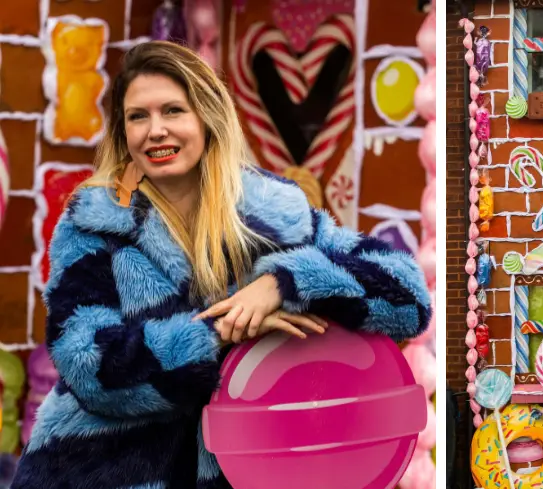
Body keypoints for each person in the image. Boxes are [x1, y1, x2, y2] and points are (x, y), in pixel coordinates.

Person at [11, 41, 431, 489]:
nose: (155, 131)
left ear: (207, 116)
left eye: (173, 111)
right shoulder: (95, 223)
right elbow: (86, 363)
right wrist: (222, 330)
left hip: (245, 472)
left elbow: (407, 297)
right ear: (123, 131)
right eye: (138, 116)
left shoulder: (273, 212)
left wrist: (283, 283)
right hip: (97, 472)